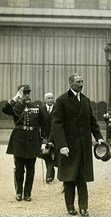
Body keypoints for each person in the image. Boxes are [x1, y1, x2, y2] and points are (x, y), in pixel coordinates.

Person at [52, 74, 104, 216]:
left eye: (82, 82)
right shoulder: (61, 100)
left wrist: (99, 137)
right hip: (68, 148)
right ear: (70, 83)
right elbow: (57, 125)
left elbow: (92, 122)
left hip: (83, 148)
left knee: (82, 178)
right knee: (69, 179)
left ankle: (83, 207)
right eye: (78, 82)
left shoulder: (86, 100)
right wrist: (62, 145)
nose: (81, 85)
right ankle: (70, 206)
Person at [2, 85, 47, 202]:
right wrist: (16, 98)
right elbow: (4, 109)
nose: (27, 95)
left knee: (31, 169)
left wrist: (44, 141)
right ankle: (18, 192)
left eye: (28, 93)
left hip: (33, 141)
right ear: (20, 94)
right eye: (24, 93)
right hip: (19, 141)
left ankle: (27, 193)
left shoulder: (36, 107)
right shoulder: (16, 107)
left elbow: (44, 125)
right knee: (19, 168)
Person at [40, 92, 56, 183]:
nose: (50, 100)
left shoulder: (57, 109)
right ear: (45, 100)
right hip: (45, 137)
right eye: (48, 98)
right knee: (47, 155)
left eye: (52, 98)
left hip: (55, 136)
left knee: (54, 155)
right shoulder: (41, 109)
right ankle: (49, 174)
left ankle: (50, 173)